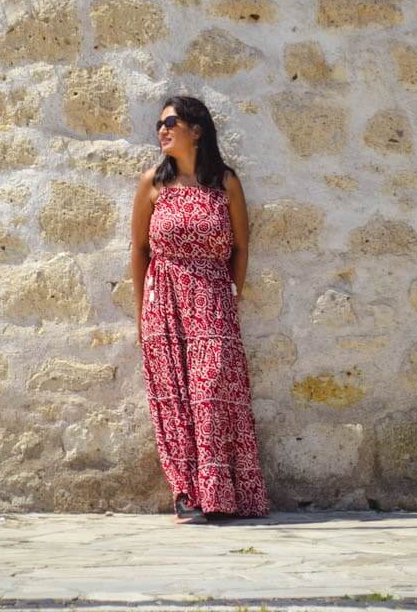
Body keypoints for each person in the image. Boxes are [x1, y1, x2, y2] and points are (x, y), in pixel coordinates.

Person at [130, 95, 270, 523]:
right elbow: (138, 250)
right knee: (174, 401)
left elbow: (242, 248)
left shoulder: (224, 182)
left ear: (197, 129)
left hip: (212, 299)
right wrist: (142, 315)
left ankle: (223, 491)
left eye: (170, 122)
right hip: (164, 303)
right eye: (159, 125)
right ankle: (187, 493)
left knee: (211, 393)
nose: (162, 130)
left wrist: (231, 296)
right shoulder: (152, 183)